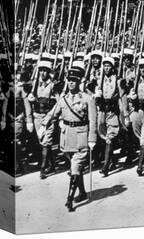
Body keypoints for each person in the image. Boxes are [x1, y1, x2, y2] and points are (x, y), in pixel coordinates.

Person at [49, 61, 97, 212]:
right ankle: (82, 192)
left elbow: (93, 120)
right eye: (69, 80)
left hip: (81, 137)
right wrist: (44, 125)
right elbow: (54, 112)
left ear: (79, 82)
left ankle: (69, 200)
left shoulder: (87, 99)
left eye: (74, 81)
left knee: (75, 166)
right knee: (75, 167)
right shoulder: (64, 98)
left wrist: (92, 139)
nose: (70, 83)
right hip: (67, 137)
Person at [27, 59, 58, 179]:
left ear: (49, 72)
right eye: (41, 71)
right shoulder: (35, 84)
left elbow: (57, 102)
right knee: (42, 141)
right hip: (37, 116)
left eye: (45, 71)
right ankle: (52, 164)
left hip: (48, 117)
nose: (43, 73)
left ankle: (43, 168)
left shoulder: (53, 84)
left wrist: (52, 116)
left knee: (46, 142)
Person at [94, 56, 121, 177]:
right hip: (102, 110)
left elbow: (121, 97)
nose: (106, 68)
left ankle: (106, 166)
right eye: (104, 66)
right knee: (102, 133)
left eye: (108, 66)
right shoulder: (100, 79)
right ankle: (111, 160)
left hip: (112, 111)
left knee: (110, 136)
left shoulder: (118, 80)